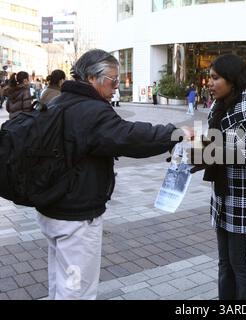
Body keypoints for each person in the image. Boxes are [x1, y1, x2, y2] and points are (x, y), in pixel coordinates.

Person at [35, 49, 192, 300]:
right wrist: (173, 133)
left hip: (53, 206)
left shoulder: (60, 101)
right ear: (91, 78)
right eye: (113, 80)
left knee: (60, 281)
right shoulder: (91, 110)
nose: (116, 87)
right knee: (76, 290)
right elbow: (128, 137)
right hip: (76, 214)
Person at [191, 54, 246, 300]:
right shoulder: (218, 104)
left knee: (242, 264)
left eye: (215, 78)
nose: (210, 83)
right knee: (224, 263)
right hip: (222, 195)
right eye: (209, 78)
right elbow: (214, 147)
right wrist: (198, 156)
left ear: (232, 78)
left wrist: (217, 150)